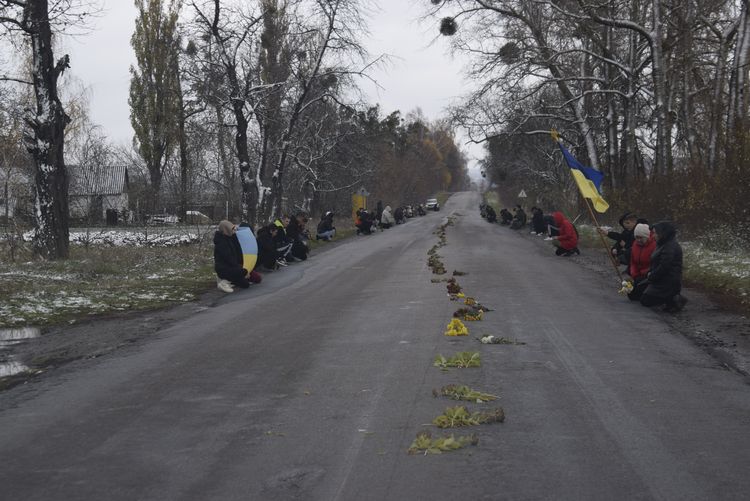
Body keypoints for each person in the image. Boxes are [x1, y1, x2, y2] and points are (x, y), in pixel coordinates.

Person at [640, 221, 688, 312]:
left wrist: (651, 276)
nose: (653, 236)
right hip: (659, 279)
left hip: (668, 282)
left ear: (663, 233)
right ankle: (669, 299)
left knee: (645, 300)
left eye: (655, 233)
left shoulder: (670, 246)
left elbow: (664, 267)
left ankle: (674, 299)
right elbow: (655, 263)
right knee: (635, 292)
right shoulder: (661, 244)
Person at [213, 220, 261, 292]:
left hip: (233, 266)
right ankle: (224, 281)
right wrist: (243, 271)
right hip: (224, 268)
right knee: (244, 276)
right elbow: (229, 259)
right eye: (232, 229)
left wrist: (244, 268)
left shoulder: (230, 238)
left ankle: (231, 280)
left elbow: (237, 255)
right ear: (226, 230)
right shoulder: (221, 243)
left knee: (247, 283)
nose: (234, 231)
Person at [626, 223, 656, 301]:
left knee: (643, 297)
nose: (638, 240)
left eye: (641, 238)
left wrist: (643, 273)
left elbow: (655, 264)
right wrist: (634, 274)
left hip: (648, 274)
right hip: (637, 274)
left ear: (647, 236)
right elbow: (633, 262)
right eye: (636, 237)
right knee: (630, 295)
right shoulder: (635, 244)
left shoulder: (654, 246)